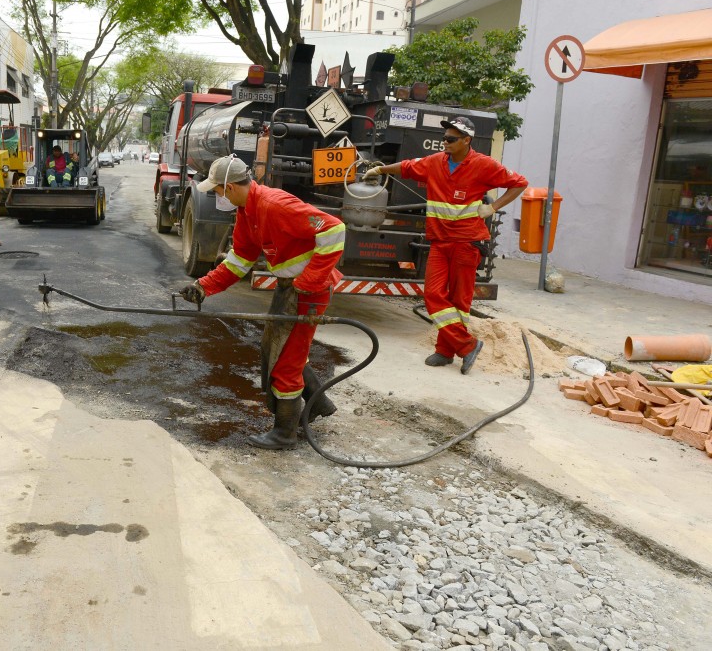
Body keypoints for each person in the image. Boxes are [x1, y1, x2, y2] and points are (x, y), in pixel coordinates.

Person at [178, 155, 346, 451]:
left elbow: (334, 230)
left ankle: (285, 433)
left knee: (285, 363)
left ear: (229, 187)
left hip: (309, 292)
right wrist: (203, 286)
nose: (217, 197)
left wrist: (308, 283)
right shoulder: (247, 212)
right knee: (276, 348)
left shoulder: (275, 205)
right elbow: (239, 262)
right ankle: (319, 403)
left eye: (217, 191)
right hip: (290, 289)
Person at [364, 116, 528, 374]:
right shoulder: (435, 163)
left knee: (459, 301)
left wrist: (493, 207)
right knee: (433, 295)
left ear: (466, 140)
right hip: (440, 241)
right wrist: (381, 169)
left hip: (467, 242)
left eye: (451, 139)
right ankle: (467, 345)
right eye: (444, 138)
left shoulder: (483, 165)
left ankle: (445, 351)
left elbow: (519, 183)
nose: (445, 143)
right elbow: (407, 166)